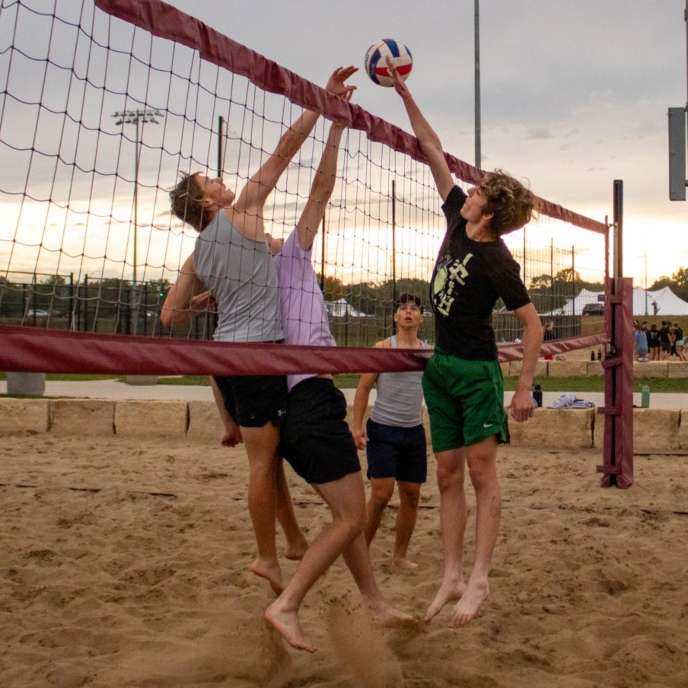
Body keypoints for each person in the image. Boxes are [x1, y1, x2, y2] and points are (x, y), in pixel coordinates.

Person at [162, 67, 357, 595]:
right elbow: (284, 151)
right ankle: (268, 558)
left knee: (262, 461)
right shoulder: (243, 212)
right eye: (210, 180)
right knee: (262, 465)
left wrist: (211, 297)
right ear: (207, 202)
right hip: (259, 357)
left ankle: (284, 545)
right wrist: (322, 103)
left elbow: (168, 316)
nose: (220, 180)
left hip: (225, 359)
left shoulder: (196, 252)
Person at [387, 58, 543, 627]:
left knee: (481, 476)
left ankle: (480, 577)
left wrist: (523, 388)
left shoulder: (499, 261)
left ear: (491, 209)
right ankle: (450, 574)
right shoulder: (457, 220)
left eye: (478, 190)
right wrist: (404, 92)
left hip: (478, 373)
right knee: (446, 474)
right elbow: (431, 147)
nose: (469, 190)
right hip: (442, 366)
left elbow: (533, 326)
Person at [263, 115, 413, 652]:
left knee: (343, 514)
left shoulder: (250, 283)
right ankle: (288, 603)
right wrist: (334, 127)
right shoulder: (287, 260)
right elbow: (321, 191)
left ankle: (372, 600)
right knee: (351, 515)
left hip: (288, 405)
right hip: (310, 400)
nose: (272, 229)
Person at [351, 294, 428, 570]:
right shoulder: (383, 348)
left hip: (413, 432)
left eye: (414, 309)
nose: (408, 312)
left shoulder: (427, 352)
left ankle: (399, 557)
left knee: (411, 494)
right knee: (382, 494)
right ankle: (361, 553)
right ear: (395, 317)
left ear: (421, 318)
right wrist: (356, 426)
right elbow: (363, 389)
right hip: (383, 428)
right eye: (403, 309)